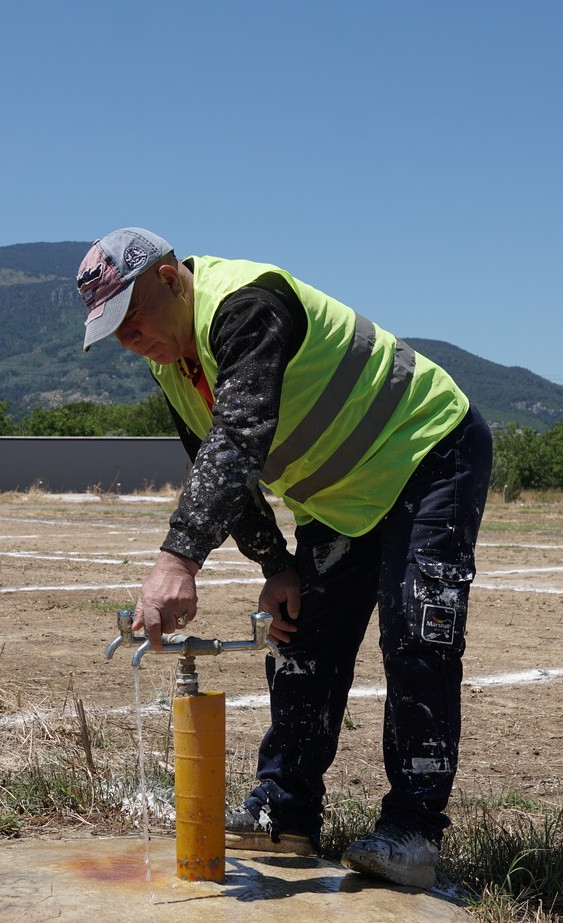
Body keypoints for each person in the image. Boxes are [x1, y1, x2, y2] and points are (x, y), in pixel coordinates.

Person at [77, 227, 491, 889]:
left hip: (427, 452)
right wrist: (276, 567)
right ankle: (287, 809)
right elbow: (214, 464)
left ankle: (412, 830)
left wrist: (179, 560)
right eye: (115, 332)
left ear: (167, 277)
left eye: (132, 319)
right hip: (344, 499)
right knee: (300, 636)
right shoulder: (172, 364)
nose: (129, 340)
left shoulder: (244, 304)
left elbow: (240, 435)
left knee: (418, 633)